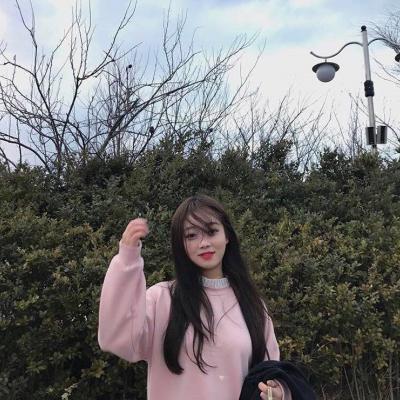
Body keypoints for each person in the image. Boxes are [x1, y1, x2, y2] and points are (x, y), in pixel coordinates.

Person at [98, 194, 291, 400]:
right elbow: (115, 338)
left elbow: (269, 374)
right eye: (191, 236)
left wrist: (278, 393)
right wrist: (127, 259)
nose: (204, 243)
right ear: (180, 244)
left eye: (212, 231)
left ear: (227, 236)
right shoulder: (162, 299)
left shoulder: (253, 306)